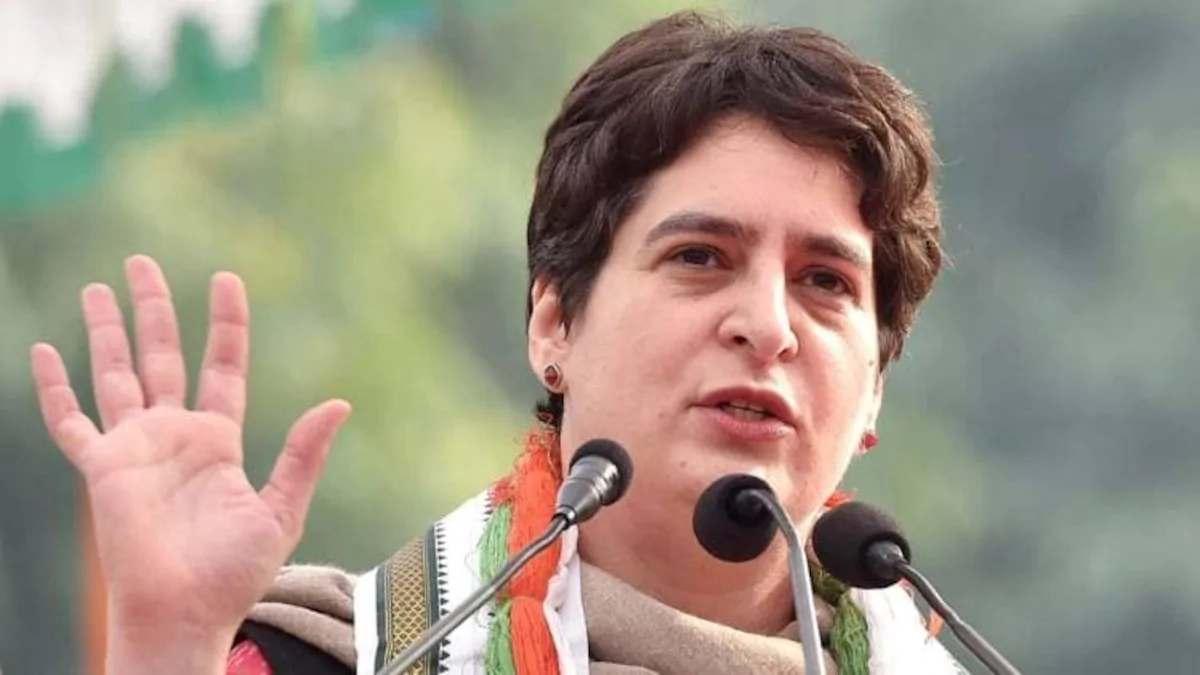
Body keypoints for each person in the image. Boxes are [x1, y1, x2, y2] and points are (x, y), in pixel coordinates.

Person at [30, 11, 963, 675]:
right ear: (554, 321)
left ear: (876, 386)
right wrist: (165, 651)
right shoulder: (324, 660)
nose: (766, 323)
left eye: (825, 282)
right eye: (700, 256)